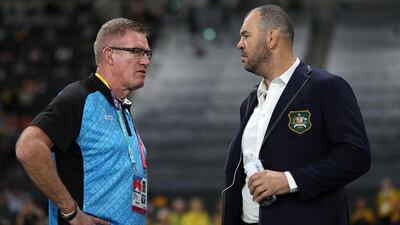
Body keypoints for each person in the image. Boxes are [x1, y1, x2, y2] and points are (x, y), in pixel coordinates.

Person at [221, 4, 371, 225]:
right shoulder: (250, 102)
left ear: (271, 38)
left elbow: (356, 155)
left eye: (246, 35)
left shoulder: (326, 87)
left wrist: (289, 180)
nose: (239, 44)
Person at [15, 17, 152, 225]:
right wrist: (71, 212)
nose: (145, 61)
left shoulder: (121, 108)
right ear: (109, 55)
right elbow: (29, 147)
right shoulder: (80, 97)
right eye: (137, 52)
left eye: (147, 53)